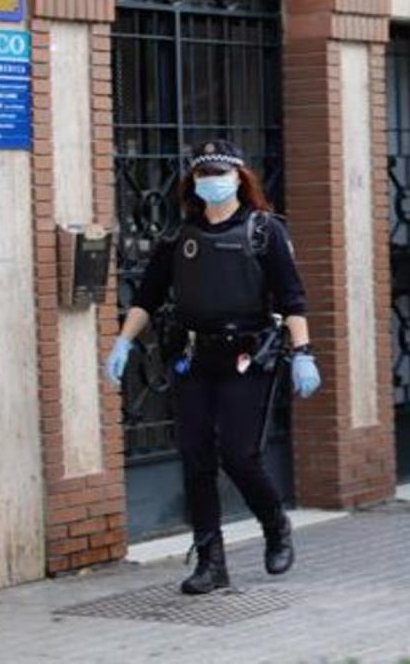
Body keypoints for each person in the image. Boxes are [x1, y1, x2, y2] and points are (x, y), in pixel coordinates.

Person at [105, 140, 322, 595]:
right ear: (193, 183)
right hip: (194, 357)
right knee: (196, 457)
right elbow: (147, 298)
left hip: (247, 357)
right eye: (203, 175)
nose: (212, 182)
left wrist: (303, 353)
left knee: (240, 455)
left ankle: (275, 525)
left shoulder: (265, 231)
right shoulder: (179, 237)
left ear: (240, 179)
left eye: (220, 173)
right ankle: (209, 560)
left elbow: (292, 299)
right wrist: (122, 342)